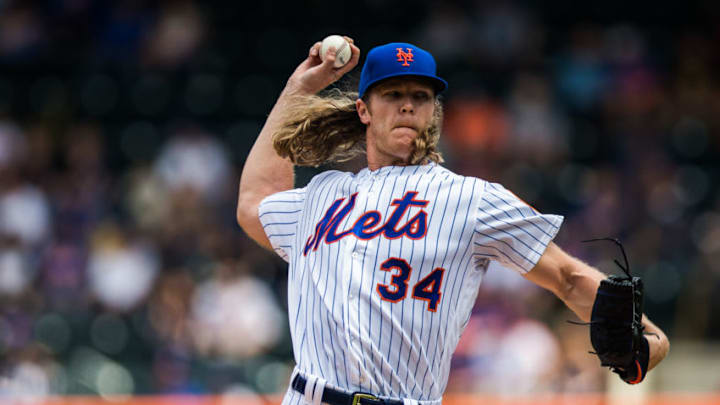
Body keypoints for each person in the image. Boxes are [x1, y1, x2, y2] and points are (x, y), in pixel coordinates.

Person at [236, 36, 670, 405]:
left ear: (433, 112)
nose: (407, 106)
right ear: (364, 110)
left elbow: (566, 276)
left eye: (420, 97)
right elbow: (255, 202)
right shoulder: (322, 194)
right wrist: (297, 89)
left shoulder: (472, 199)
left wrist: (651, 334)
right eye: (392, 94)